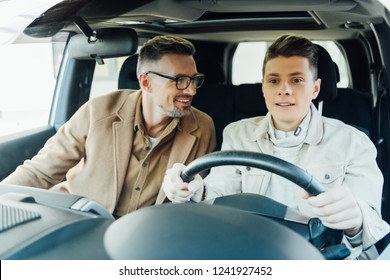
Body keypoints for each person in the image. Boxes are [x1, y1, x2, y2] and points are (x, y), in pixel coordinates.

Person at [162, 33, 390, 259]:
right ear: (263, 88)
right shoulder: (237, 133)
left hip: (321, 257)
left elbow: (370, 228)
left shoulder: (353, 142)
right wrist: (192, 188)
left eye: (297, 80)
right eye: (273, 81)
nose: (284, 90)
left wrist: (355, 219)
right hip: (249, 251)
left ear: (315, 89)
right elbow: (220, 191)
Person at [1, 35, 216, 218]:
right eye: (179, 80)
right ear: (146, 82)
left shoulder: (202, 127)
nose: (191, 91)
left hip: (150, 236)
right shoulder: (98, 111)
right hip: (82, 220)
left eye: (193, 80)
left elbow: (199, 196)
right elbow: (41, 172)